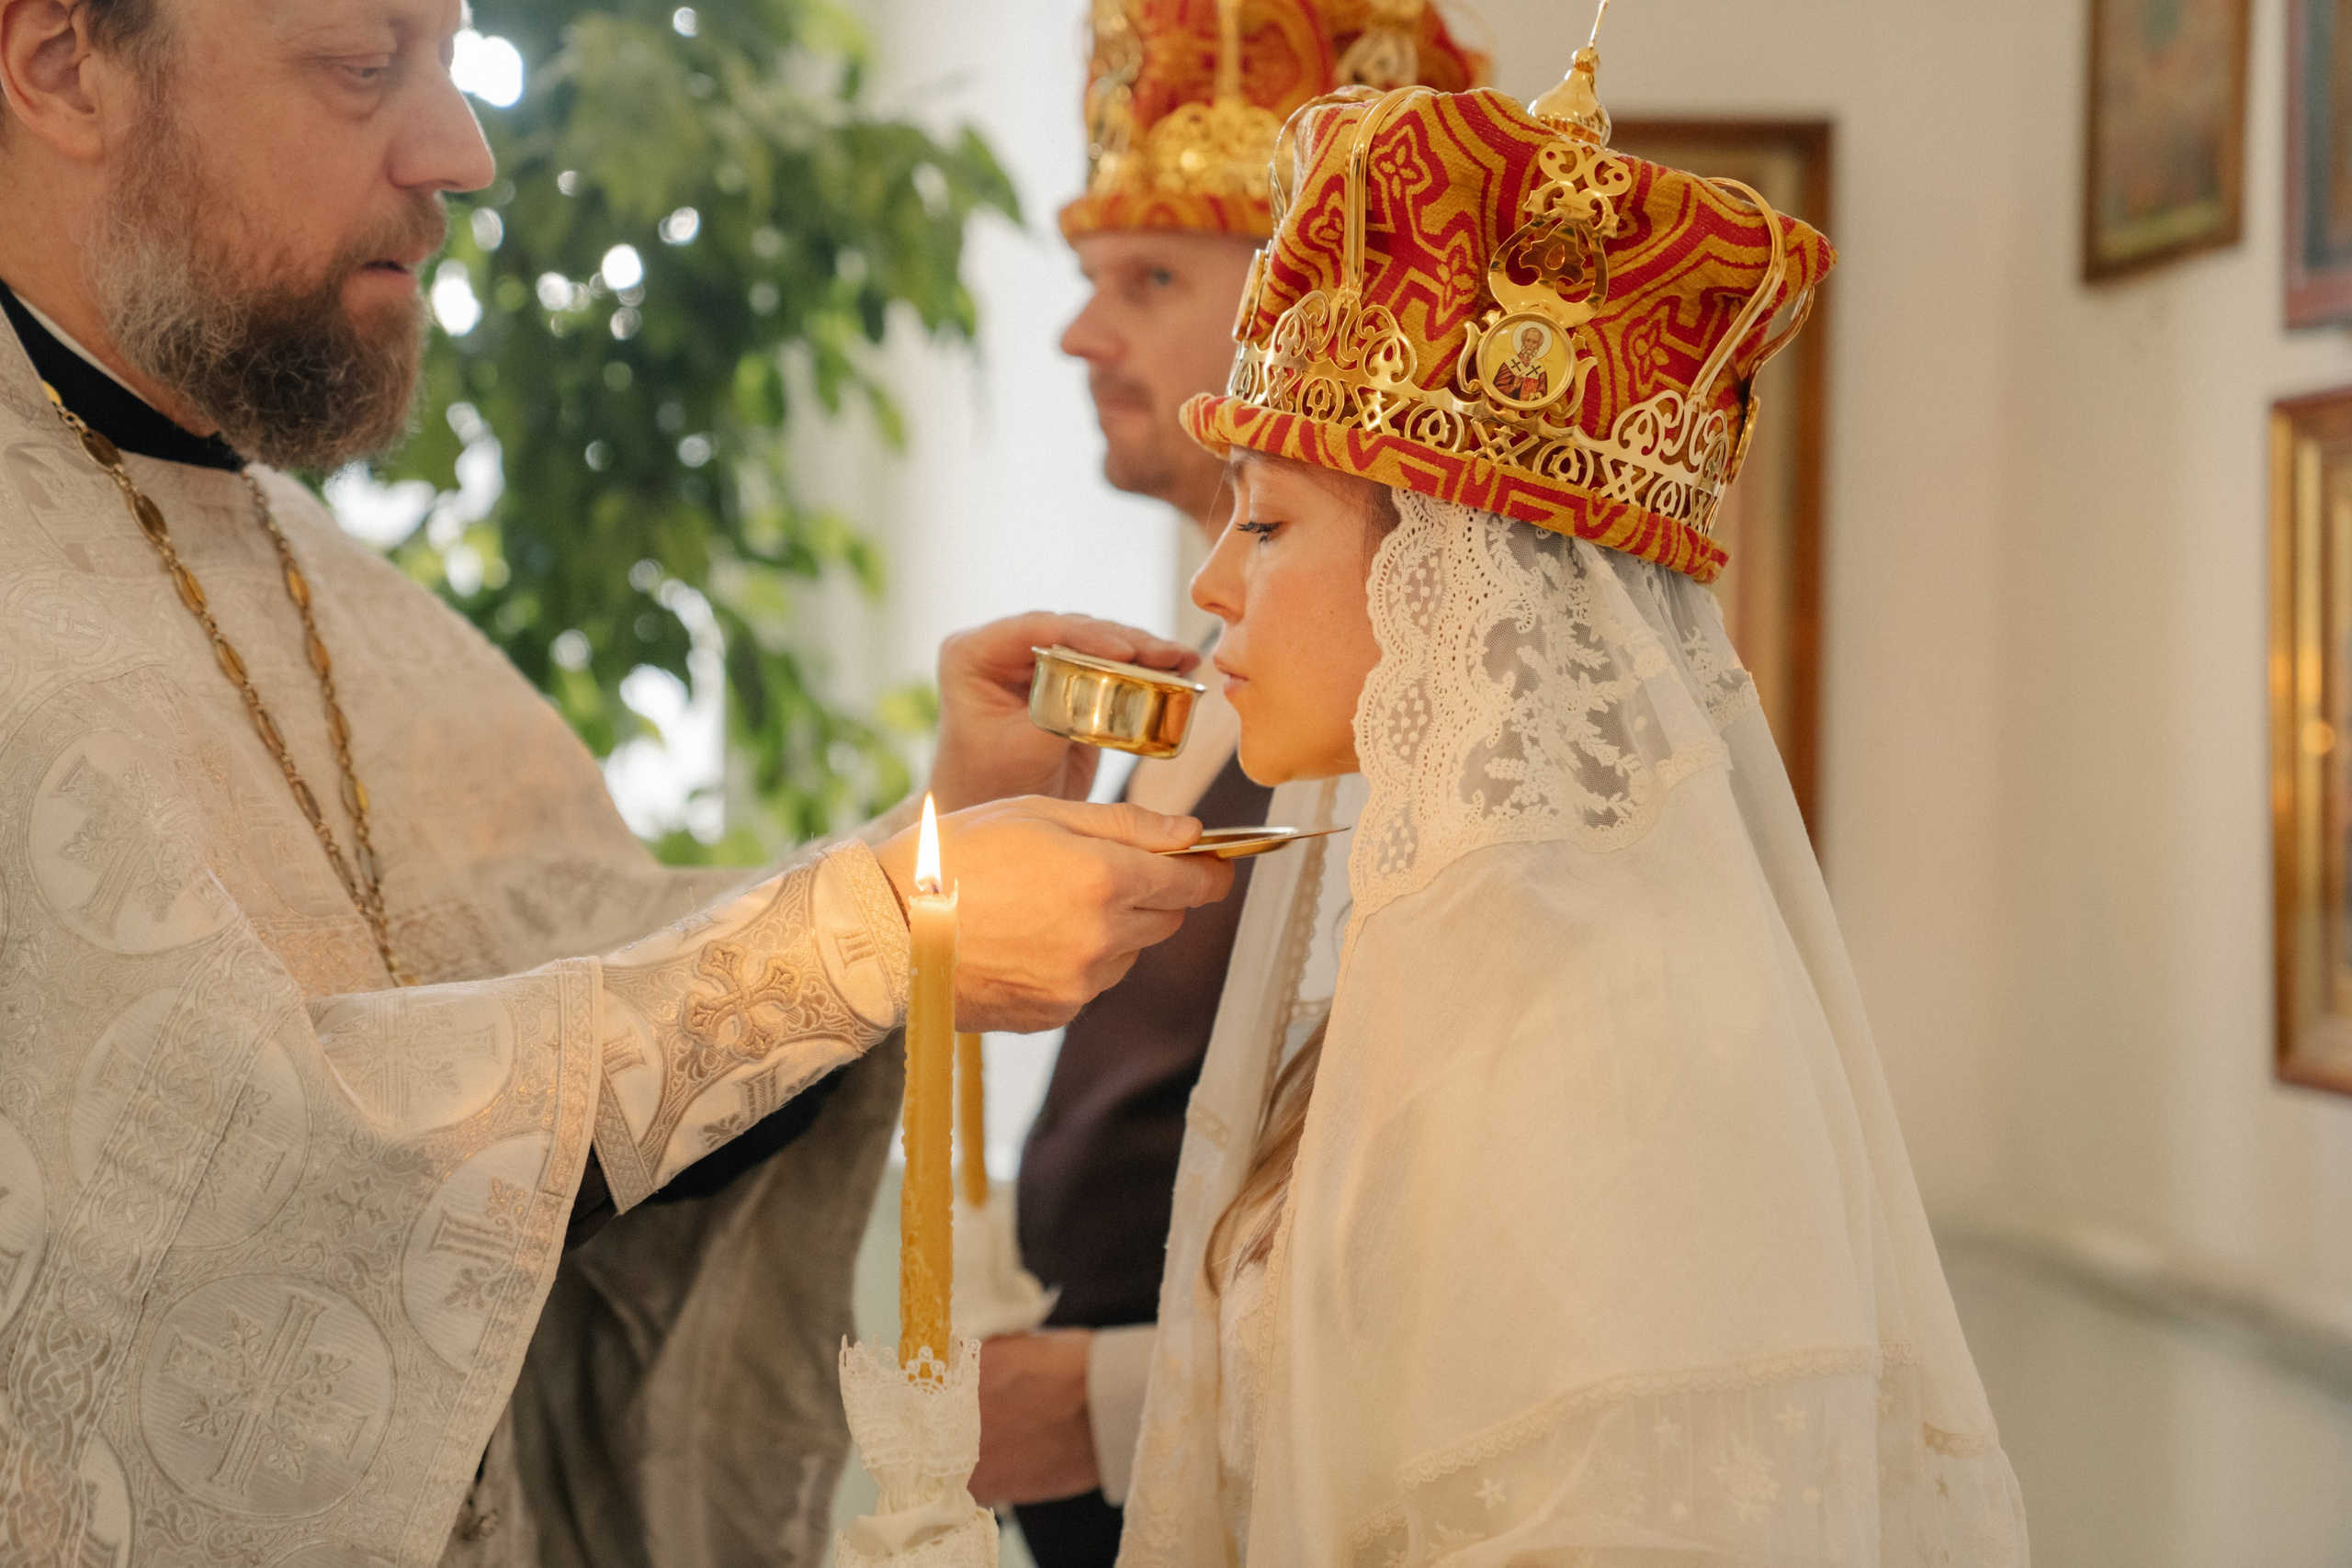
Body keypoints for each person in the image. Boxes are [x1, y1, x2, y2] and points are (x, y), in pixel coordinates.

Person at [0, 2, 1234, 1563]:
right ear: (64, 68)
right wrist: (865, 932)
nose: (462, 151)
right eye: (363, 66)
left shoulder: (327, 587)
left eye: (449, 63)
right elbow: (243, 1195)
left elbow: (576, 978)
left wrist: (925, 863)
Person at [1117, 49, 2033, 1568]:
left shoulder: (1612, 1044)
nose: (1215, 582)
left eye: (1268, 523)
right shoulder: (1456, 969)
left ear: (1465, 580)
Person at [971, 1, 1482, 1561]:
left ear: (1295, 302)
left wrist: (1108, 1399)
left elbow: (1454, 1251)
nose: (1080, 334)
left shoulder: (1438, 726)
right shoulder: (1206, 682)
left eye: (1149, 281)